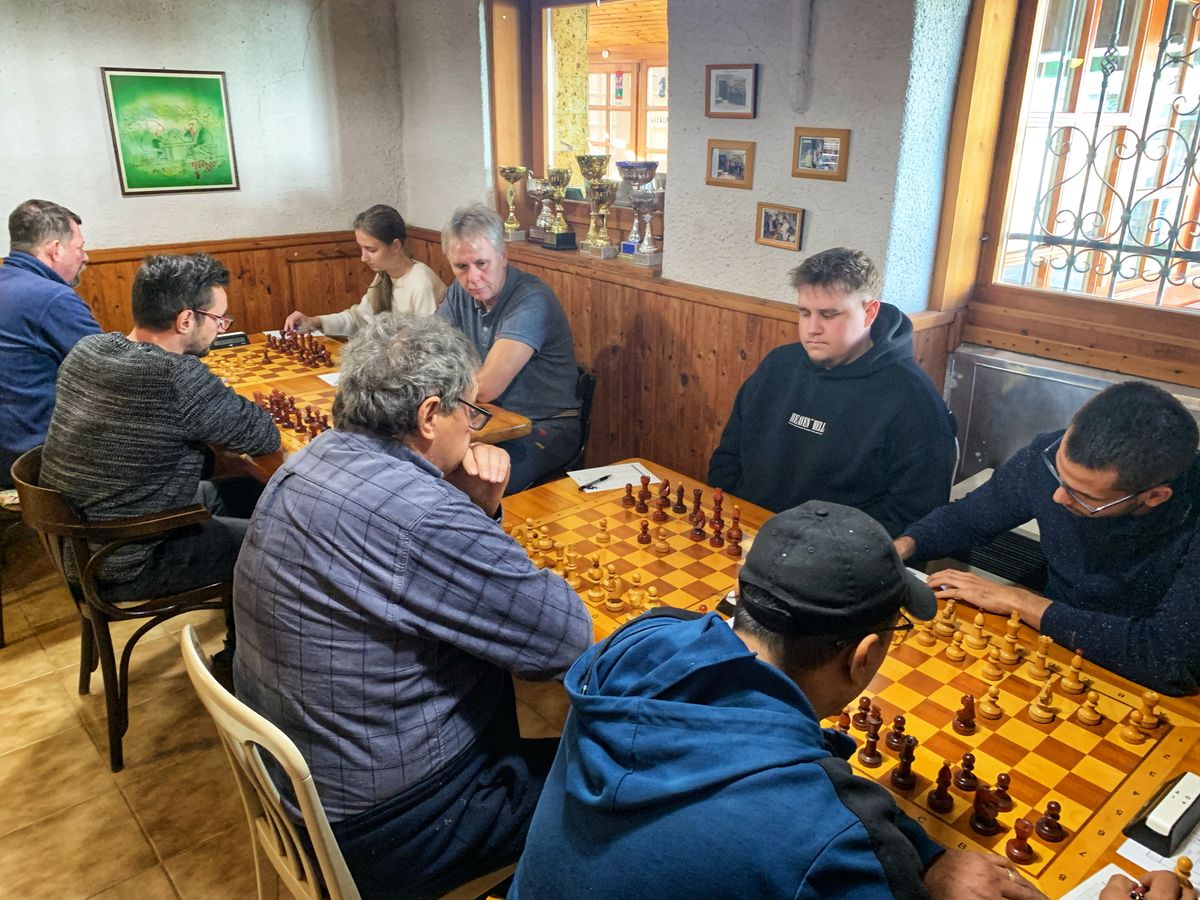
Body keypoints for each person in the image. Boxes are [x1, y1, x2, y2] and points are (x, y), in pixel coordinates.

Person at [510, 501, 1046, 899]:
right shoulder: (831, 835)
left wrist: (923, 856)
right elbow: (819, 821)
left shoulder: (638, 651)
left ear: (742, 599)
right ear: (863, 656)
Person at [232, 313, 592, 900]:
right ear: (429, 414)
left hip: (296, 787)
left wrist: (472, 512)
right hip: (393, 827)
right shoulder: (422, 514)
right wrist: (475, 513)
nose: (474, 431)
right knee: (624, 782)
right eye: (470, 413)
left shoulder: (304, 463)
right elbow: (564, 638)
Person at [896, 380, 1200, 695]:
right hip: (1050, 646)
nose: (1057, 496)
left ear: (1154, 497)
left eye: (1081, 495)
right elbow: (969, 518)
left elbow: (1169, 658)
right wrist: (901, 546)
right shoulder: (1050, 454)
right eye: (1058, 474)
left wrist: (1021, 601)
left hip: (1138, 676)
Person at [40, 253, 278, 610]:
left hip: (79, 540)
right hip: (126, 555)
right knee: (280, 544)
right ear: (185, 320)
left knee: (258, 492)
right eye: (218, 319)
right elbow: (262, 435)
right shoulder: (175, 377)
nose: (221, 328)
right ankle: (233, 658)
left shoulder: (86, 351)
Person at [708, 247, 957, 537]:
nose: (812, 329)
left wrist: (825, 547)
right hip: (746, 532)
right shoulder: (779, 365)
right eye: (804, 312)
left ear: (869, 312)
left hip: (839, 558)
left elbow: (913, 515)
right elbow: (728, 457)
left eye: (829, 314)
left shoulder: (913, 399)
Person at [437, 203, 581, 492]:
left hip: (546, 427)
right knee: (418, 466)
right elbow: (430, 355)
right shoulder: (458, 292)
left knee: (469, 486)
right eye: (461, 267)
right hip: (485, 421)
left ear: (503, 256)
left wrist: (440, 383)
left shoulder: (531, 300)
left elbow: (487, 386)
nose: (472, 278)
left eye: (482, 263)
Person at [0, 199, 101, 487]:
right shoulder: (52, 297)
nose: (86, 257)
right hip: (37, 461)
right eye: (79, 247)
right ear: (55, 249)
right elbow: (116, 373)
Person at [283, 204, 444, 335]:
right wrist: (314, 321)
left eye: (371, 250)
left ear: (395, 245)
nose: (363, 258)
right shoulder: (384, 276)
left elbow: (428, 343)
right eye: (361, 249)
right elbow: (360, 318)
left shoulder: (421, 283)